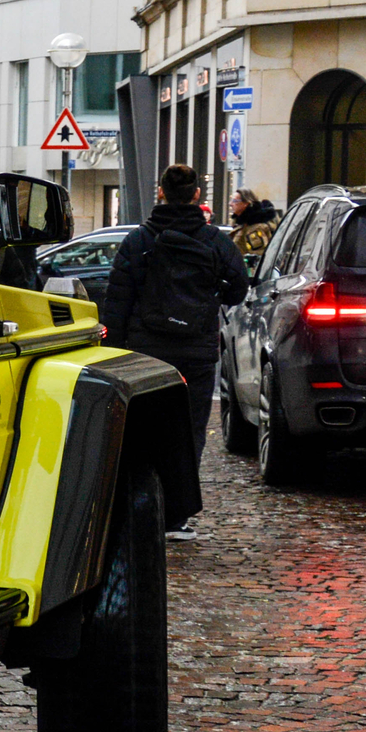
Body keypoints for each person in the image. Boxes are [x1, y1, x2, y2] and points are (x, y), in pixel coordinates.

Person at [102, 163, 249, 541]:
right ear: (197, 195)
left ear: (160, 193)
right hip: (197, 352)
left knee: (145, 428)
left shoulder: (138, 240)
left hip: (146, 351)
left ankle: (143, 508)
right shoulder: (216, 241)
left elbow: (117, 301)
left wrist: (113, 351)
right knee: (191, 429)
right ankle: (177, 515)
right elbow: (238, 290)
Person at [230, 189, 279, 266]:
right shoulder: (243, 225)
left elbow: (257, 259)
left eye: (235, 201)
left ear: (245, 203)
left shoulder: (255, 228)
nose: (231, 204)